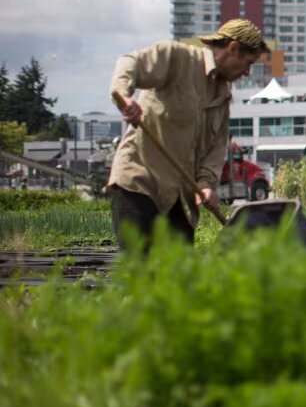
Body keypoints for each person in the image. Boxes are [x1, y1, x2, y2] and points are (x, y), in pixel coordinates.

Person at [107, 19, 268, 248]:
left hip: (180, 196)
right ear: (233, 48)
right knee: (143, 271)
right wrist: (124, 98)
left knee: (180, 272)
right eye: (247, 63)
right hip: (140, 183)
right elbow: (129, 63)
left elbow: (216, 149)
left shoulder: (223, 95)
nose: (246, 72)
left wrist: (206, 185)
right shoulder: (177, 58)